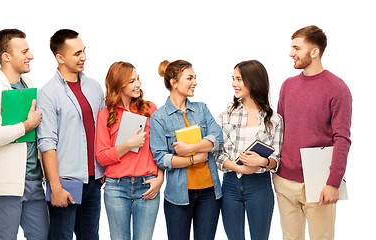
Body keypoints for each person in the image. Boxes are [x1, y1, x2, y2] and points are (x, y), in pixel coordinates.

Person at [274, 25, 352, 240]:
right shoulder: (287, 86)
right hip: (284, 180)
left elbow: (342, 138)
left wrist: (333, 182)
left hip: (318, 183)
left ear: (314, 52)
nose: (291, 53)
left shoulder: (337, 88)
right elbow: (279, 130)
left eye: (296, 48)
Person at [0, 29, 48, 239]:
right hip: (5, 186)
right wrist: (26, 125)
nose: (31, 56)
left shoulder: (29, 85)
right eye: (24, 51)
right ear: (6, 56)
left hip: (34, 182)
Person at [37, 29, 105, 240]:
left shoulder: (94, 87)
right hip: (66, 181)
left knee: (90, 236)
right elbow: (47, 143)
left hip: (94, 180)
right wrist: (55, 187)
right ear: (60, 57)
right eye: (77, 53)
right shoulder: (48, 93)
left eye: (83, 51)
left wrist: (103, 171)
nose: (83, 57)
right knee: (61, 236)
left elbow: (103, 131)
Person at [150, 60, 223, 240]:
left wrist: (189, 148)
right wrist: (193, 159)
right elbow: (161, 158)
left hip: (209, 193)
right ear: (174, 82)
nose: (195, 82)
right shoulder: (159, 117)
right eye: (189, 78)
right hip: (177, 195)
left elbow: (217, 139)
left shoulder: (201, 108)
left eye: (195, 78)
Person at [214, 60, 284, 240]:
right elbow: (216, 153)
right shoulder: (226, 115)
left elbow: (276, 158)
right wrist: (239, 168)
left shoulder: (275, 119)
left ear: (253, 81)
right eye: (233, 79)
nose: (233, 84)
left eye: (239, 79)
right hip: (230, 184)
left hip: (259, 185)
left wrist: (262, 162)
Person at [96, 61, 164, 240]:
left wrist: (160, 178)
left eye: (138, 79)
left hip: (147, 185)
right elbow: (102, 157)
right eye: (132, 81)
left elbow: (160, 149)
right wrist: (128, 144)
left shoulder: (150, 109)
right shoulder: (105, 115)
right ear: (119, 84)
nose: (138, 84)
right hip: (116, 188)